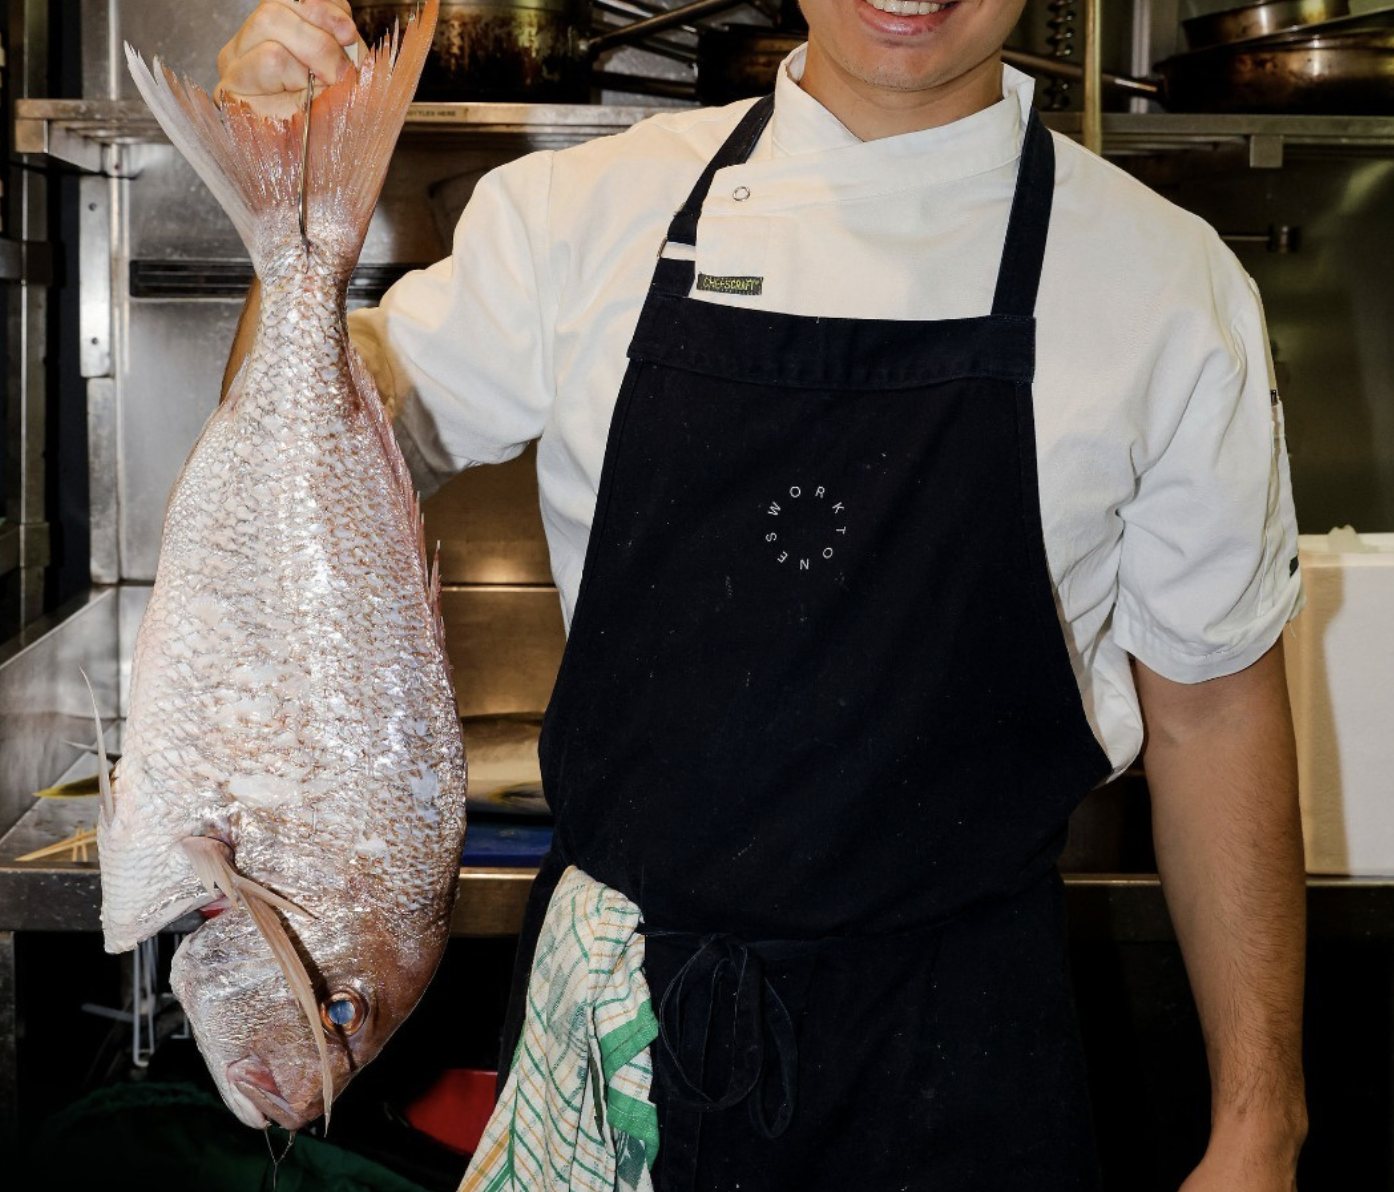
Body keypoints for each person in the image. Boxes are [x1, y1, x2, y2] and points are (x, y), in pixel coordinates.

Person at [215, 0, 1309, 1187]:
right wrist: (289, 201)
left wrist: (1261, 1121)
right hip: (616, 1040)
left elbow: (1215, 711)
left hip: (964, 1059)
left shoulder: (1169, 286)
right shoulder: (580, 216)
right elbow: (285, 472)